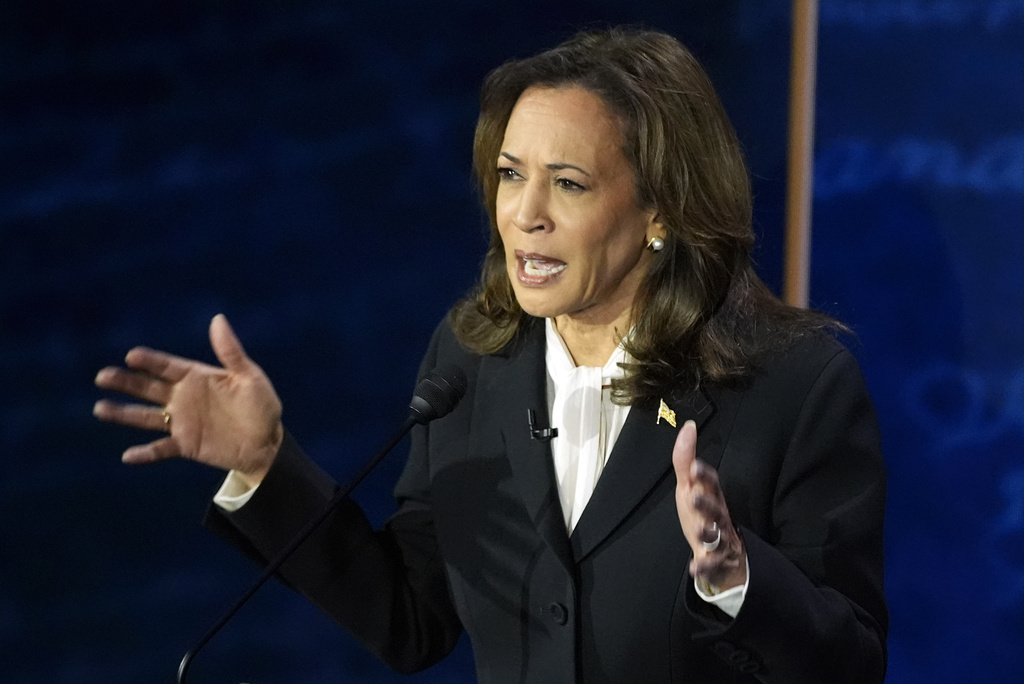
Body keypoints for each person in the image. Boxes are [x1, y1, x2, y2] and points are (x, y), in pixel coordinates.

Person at [94, 27, 887, 683]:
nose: (524, 214)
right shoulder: (472, 361)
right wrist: (266, 465)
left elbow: (852, 665)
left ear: (661, 210)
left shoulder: (793, 385)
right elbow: (412, 617)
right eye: (511, 175)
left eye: (568, 183)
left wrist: (737, 580)